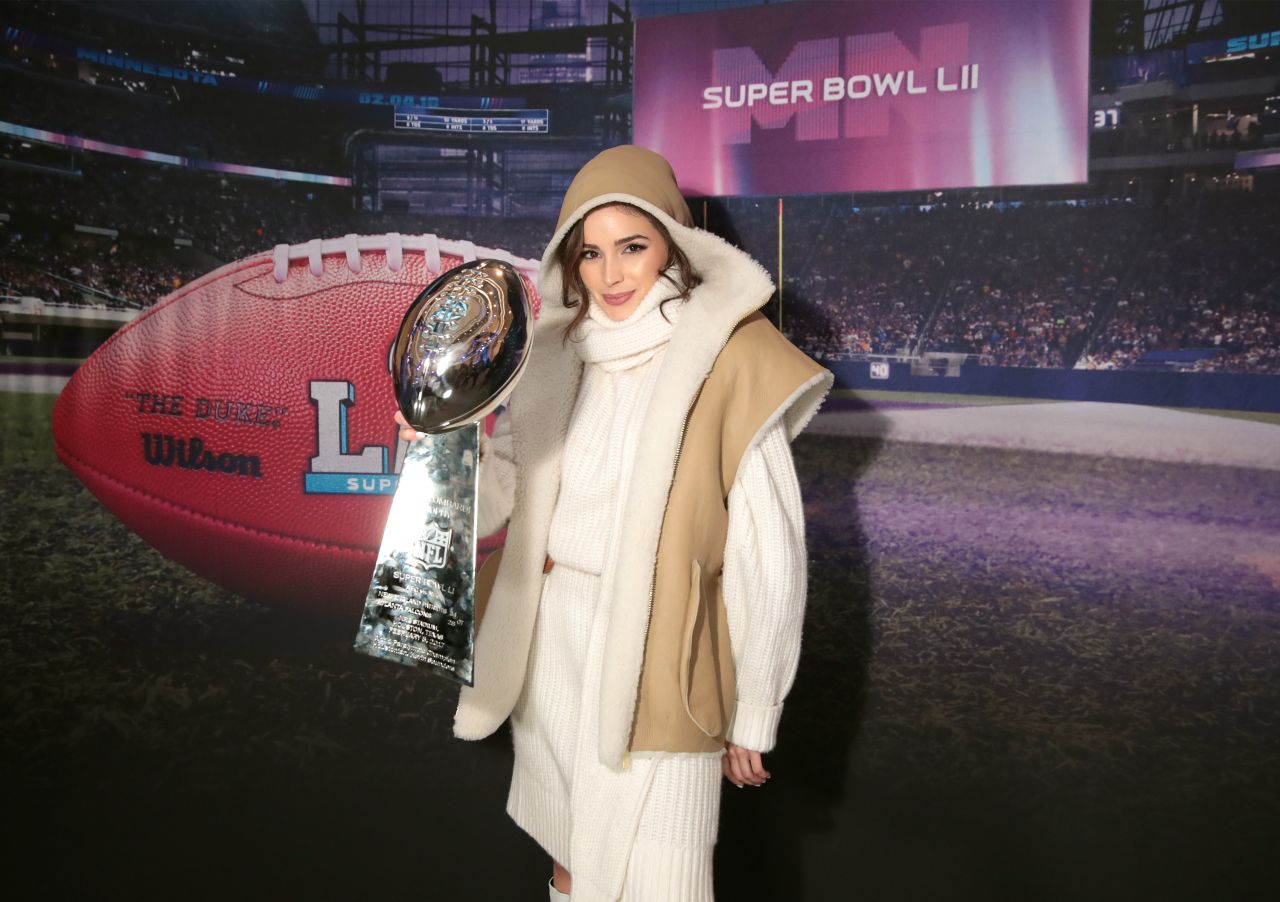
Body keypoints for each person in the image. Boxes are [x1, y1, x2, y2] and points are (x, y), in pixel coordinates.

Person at [398, 145, 831, 900]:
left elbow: (771, 553)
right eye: (589, 253)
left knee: (662, 882)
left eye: (633, 246)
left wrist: (757, 704)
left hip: (664, 654)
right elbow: (505, 499)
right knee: (570, 869)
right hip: (552, 646)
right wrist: (447, 447)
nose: (612, 273)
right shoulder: (551, 356)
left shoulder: (729, 356)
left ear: (673, 241)